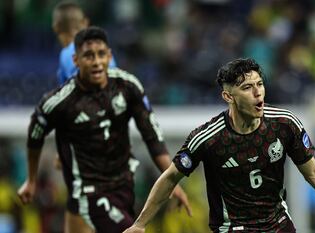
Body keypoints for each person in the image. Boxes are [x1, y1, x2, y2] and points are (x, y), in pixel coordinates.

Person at [123, 58, 315, 233]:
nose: (258, 92)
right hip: (233, 229)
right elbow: (169, 178)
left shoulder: (284, 124)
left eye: (259, 84)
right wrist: (140, 224)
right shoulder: (208, 138)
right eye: (247, 87)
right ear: (228, 96)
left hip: (278, 224)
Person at [17, 26, 191, 233]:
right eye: (89, 56)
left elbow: (152, 136)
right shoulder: (59, 102)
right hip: (89, 190)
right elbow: (35, 134)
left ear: (109, 56)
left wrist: (170, 180)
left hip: (123, 183)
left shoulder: (128, 86)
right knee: (131, 230)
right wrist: (31, 180)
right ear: (76, 60)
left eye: (101, 54)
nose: (97, 62)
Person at [52, 1, 116, 85]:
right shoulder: (103, 50)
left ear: (56, 27)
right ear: (85, 22)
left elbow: (89, 89)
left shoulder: (69, 53)